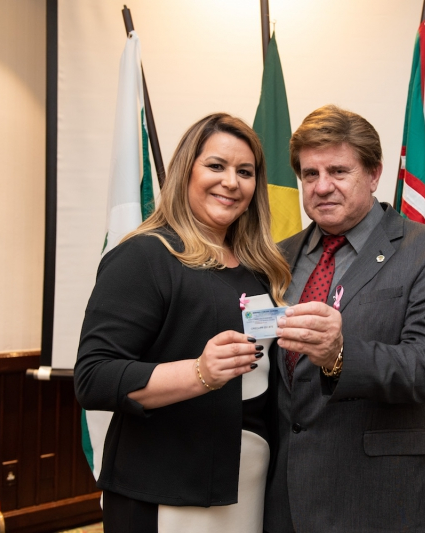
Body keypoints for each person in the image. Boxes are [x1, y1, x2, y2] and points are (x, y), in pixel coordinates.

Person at [75, 113, 291, 532]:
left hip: (247, 485)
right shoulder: (145, 256)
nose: (231, 182)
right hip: (164, 491)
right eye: (216, 166)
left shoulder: (261, 268)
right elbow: (94, 378)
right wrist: (199, 373)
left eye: (245, 172)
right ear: (185, 171)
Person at [264, 105, 425, 533]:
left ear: (374, 174)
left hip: (382, 501)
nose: (322, 186)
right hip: (288, 501)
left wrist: (339, 355)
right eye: (310, 174)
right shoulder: (277, 257)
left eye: (338, 171)